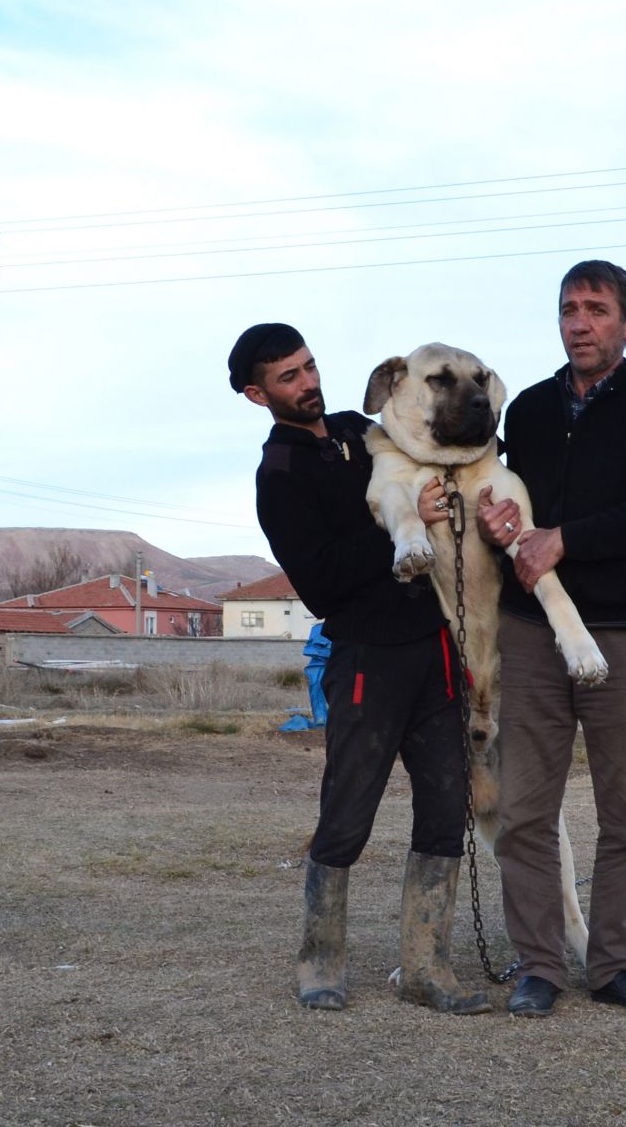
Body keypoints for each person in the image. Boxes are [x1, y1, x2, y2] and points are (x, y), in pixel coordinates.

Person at [229, 321, 488, 1015]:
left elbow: (430, 452)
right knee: (347, 813)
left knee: (442, 806)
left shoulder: (356, 429)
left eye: (308, 366)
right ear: (258, 394)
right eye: (287, 377)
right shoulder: (278, 474)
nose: (307, 383)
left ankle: (427, 967)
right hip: (365, 656)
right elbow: (320, 584)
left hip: (434, 646)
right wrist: (398, 527)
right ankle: (320, 963)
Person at [475, 260, 626, 1017]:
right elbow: (507, 505)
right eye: (568, 308)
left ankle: (613, 965)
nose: (579, 322)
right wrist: (497, 522)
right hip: (532, 632)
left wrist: (565, 539)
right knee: (524, 813)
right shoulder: (529, 411)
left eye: (596, 309)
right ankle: (538, 964)